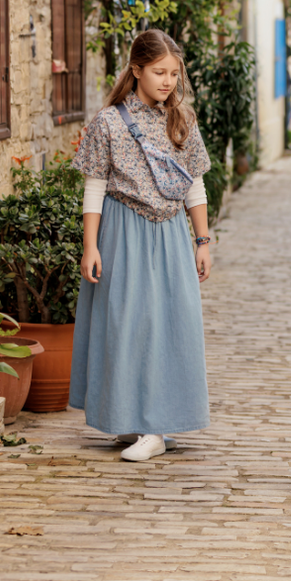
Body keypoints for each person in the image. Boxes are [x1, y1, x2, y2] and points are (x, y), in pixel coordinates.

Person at [70, 29, 212, 462]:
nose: (167, 81)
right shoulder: (108, 122)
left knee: (168, 324)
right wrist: (90, 246)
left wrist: (202, 240)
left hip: (169, 234)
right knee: (126, 325)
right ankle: (131, 419)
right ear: (136, 70)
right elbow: (94, 188)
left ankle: (156, 426)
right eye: (158, 72)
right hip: (122, 232)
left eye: (173, 73)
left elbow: (195, 186)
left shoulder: (181, 120)